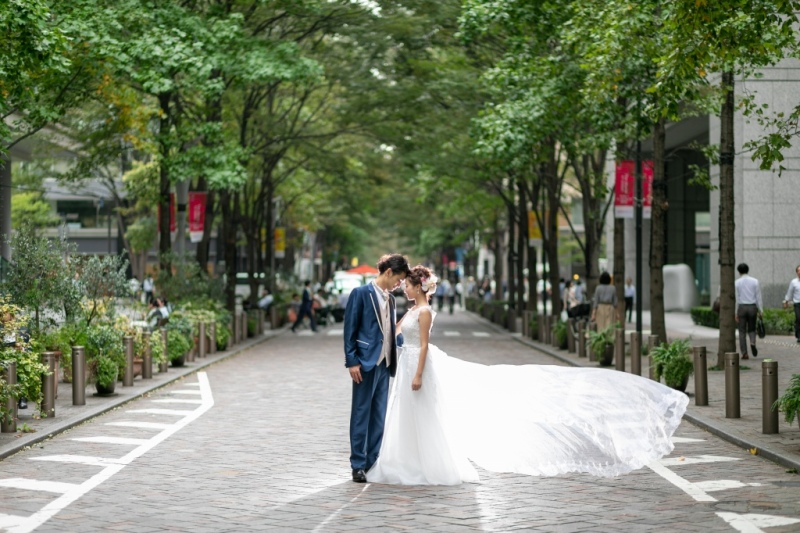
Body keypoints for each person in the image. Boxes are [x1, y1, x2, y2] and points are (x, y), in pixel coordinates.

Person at [366, 264, 688, 486]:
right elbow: (394, 331)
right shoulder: (410, 309)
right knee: (408, 414)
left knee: (423, 413)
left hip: (417, 366)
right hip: (405, 365)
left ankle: (425, 465)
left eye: (408, 284)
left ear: (419, 286)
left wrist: (418, 374)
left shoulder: (424, 312)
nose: (404, 288)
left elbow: (423, 345)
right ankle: (407, 460)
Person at [344, 253, 410, 483]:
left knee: (379, 416)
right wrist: (352, 361)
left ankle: (372, 462)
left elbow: (389, 331)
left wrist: (406, 344)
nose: (399, 284)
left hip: (385, 363)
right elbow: (350, 330)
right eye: (399, 279)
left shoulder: (391, 299)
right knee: (361, 414)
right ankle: (357, 465)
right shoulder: (361, 294)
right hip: (365, 362)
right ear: (389, 272)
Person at [735, 263, 763, 359]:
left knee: (742, 331)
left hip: (742, 307)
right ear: (748, 270)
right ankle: (752, 342)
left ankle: (744, 353)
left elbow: (737, 298)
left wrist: (736, 313)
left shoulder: (737, 282)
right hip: (752, 307)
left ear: (739, 271)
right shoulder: (755, 281)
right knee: (752, 328)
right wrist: (760, 310)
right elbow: (758, 297)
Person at [783, 265, 800, 344]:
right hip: (797, 303)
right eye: (798, 271)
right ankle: (799, 336)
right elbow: (790, 292)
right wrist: (786, 301)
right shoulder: (794, 282)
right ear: (796, 272)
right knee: (798, 318)